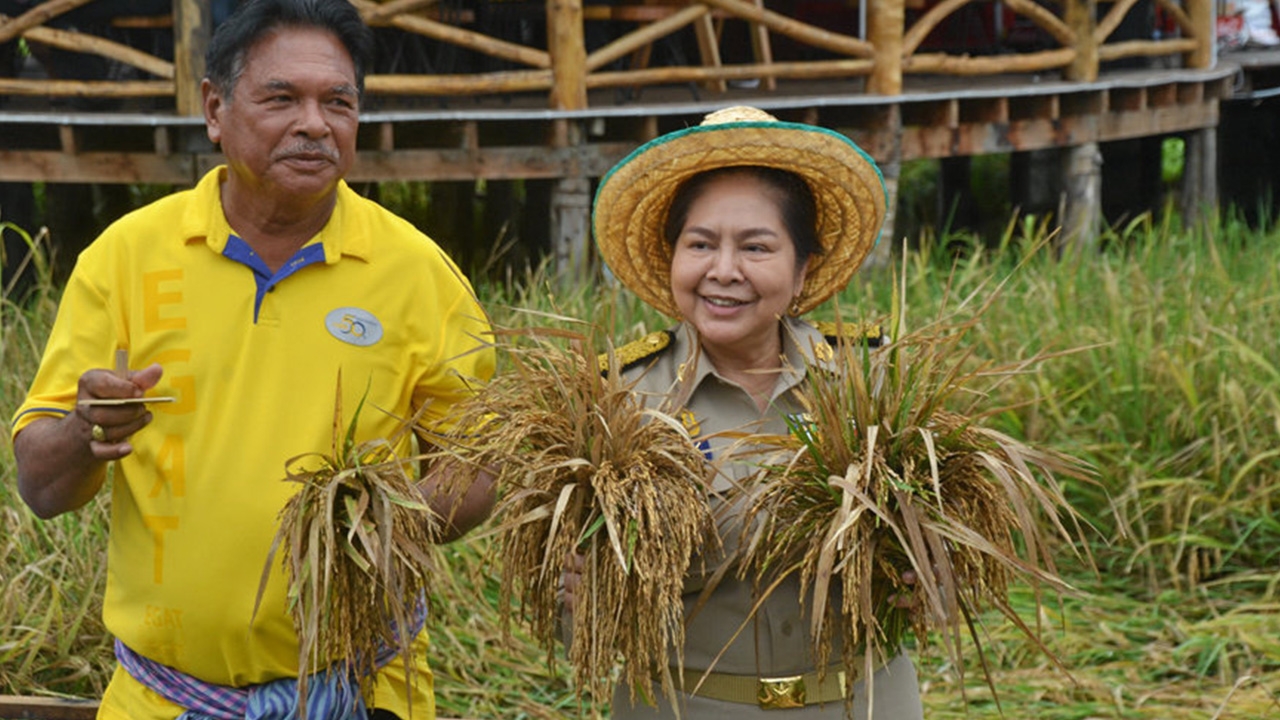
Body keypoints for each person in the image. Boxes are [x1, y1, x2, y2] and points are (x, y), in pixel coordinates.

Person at [9, 1, 495, 719]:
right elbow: (41, 488)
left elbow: (478, 465)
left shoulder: (417, 273)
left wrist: (388, 524)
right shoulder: (127, 258)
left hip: (363, 692)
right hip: (162, 698)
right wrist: (88, 432)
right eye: (280, 98)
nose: (314, 123)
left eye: (338, 101)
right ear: (214, 108)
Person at [580, 106, 924, 719]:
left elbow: (943, 567)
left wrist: (930, 576)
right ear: (672, 258)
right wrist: (582, 597)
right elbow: (573, 618)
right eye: (701, 244)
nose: (724, 271)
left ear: (802, 270)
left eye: (756, 246)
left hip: (865, 704)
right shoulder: (619, 400)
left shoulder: (874, 380)